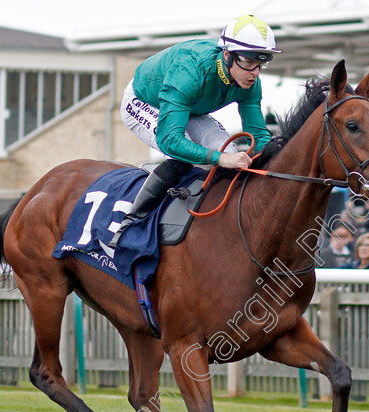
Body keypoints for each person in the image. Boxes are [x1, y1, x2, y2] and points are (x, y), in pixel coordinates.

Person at [109, 14, 279, 247]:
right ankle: (130, 224)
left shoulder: (251, 83)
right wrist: (221, 159)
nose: (255, 72)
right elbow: (170, 139)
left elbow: (259, 137)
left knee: (229, 150)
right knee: (185, 155)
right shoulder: (190, 70)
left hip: (188, 108)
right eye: (248, 62)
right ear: (227, 55)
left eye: (262, 63)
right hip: (144, 101)